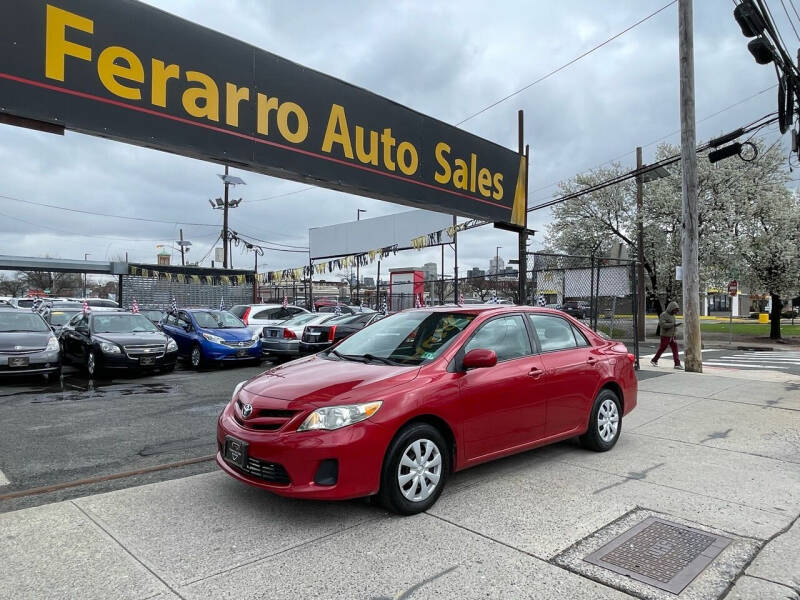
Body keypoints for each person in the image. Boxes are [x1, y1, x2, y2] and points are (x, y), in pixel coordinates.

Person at [651, 301, 683, 369]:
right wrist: (673, 325)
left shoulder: (673, 316)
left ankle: (677, 364)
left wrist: (675, 327)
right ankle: (654, 360)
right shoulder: (663, 314)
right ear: (671, 308)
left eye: (677, 310)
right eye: (675, 310)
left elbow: (671, 325)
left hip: (672, 336)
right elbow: (662, 324)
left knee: (675, 349)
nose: (676, 312)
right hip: (665, 336)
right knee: (662, 348)